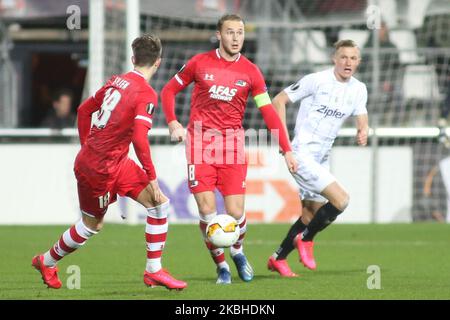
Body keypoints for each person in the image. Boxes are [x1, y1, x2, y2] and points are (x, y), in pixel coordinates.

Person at [31, 34, 187, 290]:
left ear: (133, 58)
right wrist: (151, 176)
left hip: (113, 161)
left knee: (159, 204)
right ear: (158, 63)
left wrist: (87, 147)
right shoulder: (146, 94)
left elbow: (83, 111)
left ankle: (154, 271)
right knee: (92, 226)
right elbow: (139, 137)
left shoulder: (116, 81)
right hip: (98, 169)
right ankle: (46, 261)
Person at [161, 14, 297, 284]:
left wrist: (286, 148)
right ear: (219, 35)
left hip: (232, 146)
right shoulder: (199, 63)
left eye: (240, 33)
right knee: (206, 210)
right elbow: (167, 91)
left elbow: (268, 111)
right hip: (200, 144)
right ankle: (221, 266)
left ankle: (237, 252)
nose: (236, 38)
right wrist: (173, 122)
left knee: (235, 213)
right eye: (231, 32)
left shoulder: (250, 72)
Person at [267, 39, 369, 277]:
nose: (348, 62)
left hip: (323, 156)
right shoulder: (317, 80)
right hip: (301, 153)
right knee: (341, 200)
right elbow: (277, 101)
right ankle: (305, 239)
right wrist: (285, 145)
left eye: (353, 58)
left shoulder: (358, 88)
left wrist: (362, 130)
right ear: (334, 58)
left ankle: (278, 258)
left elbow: (361, 115)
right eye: (343, 57)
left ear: (358, 62)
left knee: (309, 214)